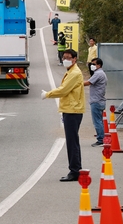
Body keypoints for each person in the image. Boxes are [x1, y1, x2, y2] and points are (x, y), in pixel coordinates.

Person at [41, 49, 85, 182]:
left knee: (72, 142)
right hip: (71, 109)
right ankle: (76, 169)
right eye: (64, 57)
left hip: (72, 110)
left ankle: (75, 171)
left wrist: (47, 94)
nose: (65, 59)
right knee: (73, 141)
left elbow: (64, 90)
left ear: (75, 59)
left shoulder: (74, 73)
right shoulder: (71, 71)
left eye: (68, 57)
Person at [83, 58, 107, 147]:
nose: (92, 66)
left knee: (97, 122)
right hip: (99, 100)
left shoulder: (98, 74)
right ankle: (102, 138)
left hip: (96, 101)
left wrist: (76, 84)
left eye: (93, 64)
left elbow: (88, 82)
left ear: (99, 65)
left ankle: (101, 140)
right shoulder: (101, 73)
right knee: (99, 121)